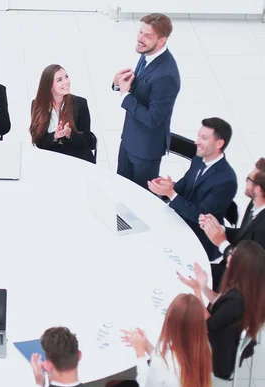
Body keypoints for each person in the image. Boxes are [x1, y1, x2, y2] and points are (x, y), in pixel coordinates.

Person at [148, 118, 237, 260]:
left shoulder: (226, 180)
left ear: (219, 143)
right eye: (198, 136)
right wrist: (171, 187)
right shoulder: (199, 158)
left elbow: (201, 217)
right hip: (180, 218)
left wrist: (171, 194)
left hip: (199, 236)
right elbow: (186, 183)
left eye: (204, 138)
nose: (197, 142)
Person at [178, 240, 265, 379]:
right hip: (223, 342)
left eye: (232, 254)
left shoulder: (237, 301)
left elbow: (206, 325)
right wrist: (204, 286)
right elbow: (219, 302)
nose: (228, 256)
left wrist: (197, 290)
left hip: (217, 357)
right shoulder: (246, 288)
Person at [113, 13, 181, 190]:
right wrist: (117, 84)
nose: (140, 39)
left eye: (147, 35)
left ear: (162, 41)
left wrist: (126, 96)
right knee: (121, 188)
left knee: (139, 200)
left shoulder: (167, 76)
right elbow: (140, 87)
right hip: (129, 139)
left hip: (145, 151)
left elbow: (153, 118)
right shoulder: (147, 53)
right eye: (140, 32)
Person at [111, 294, 212, 387]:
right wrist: (146, 344)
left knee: (112, 384)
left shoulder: (162, 363)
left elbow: (146, 384)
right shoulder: (204, 348)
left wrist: (140, 352)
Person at [199, 157, 265, 290]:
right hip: (228, 269)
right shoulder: (255, 204)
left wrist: (222, 243)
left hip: (239, 285)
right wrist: (219, 228)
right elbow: (245, 235)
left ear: (258, 189)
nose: (245, 181)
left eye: (248, 179)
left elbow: (252, 268)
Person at [30, 64, 96, 163]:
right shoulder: (37, 104)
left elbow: (89, 142)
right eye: (59, 80)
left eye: (66, 77)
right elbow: (38, 141)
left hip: (77, 159)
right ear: (49, 86)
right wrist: (55, 136)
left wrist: (69, 134)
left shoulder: (80, 103)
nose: (66, 82)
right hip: (51, 159)